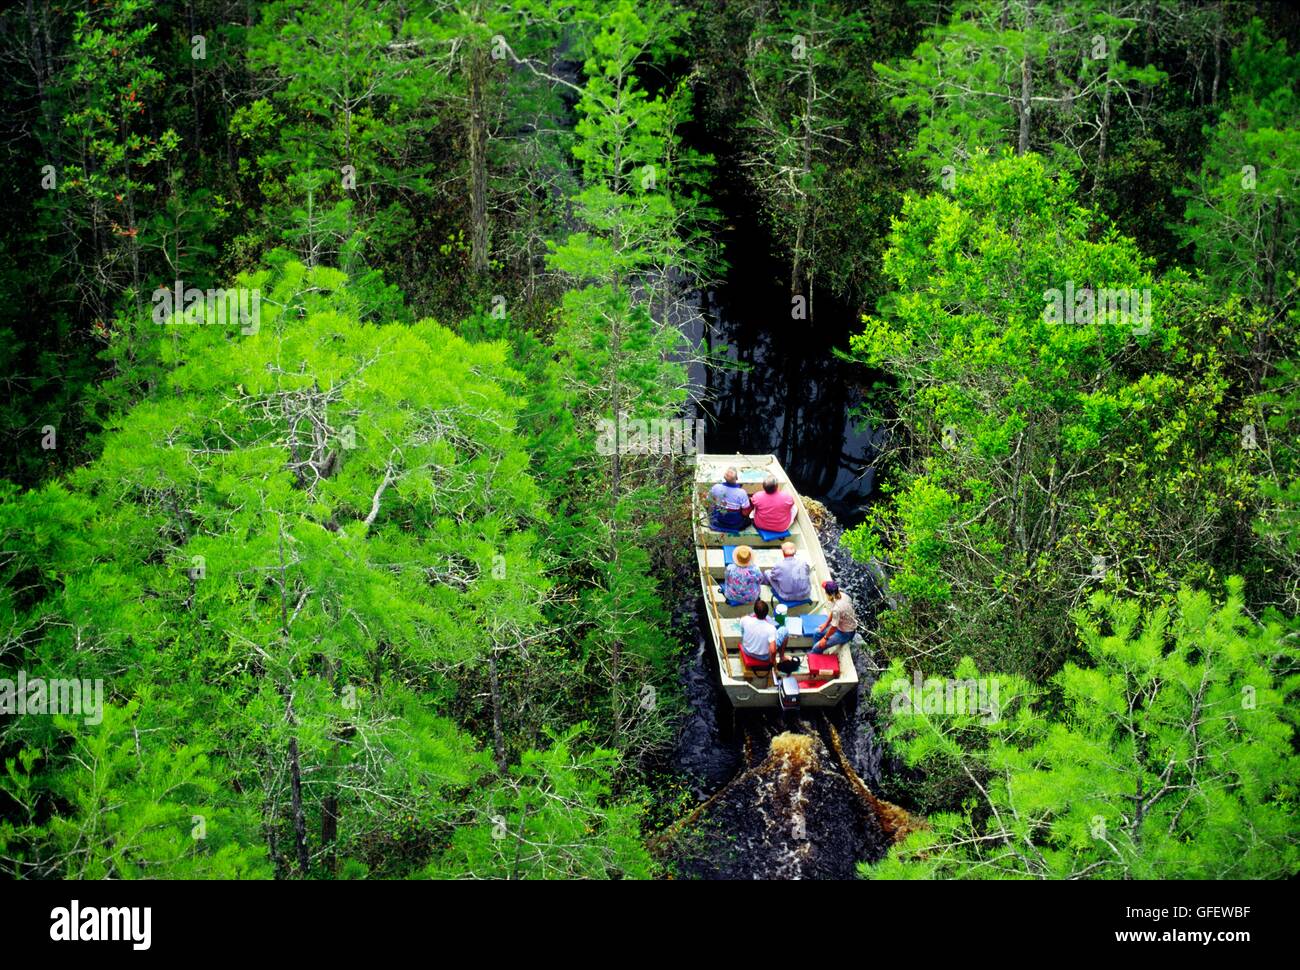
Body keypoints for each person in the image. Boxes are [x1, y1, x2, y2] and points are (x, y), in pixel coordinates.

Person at [738, 599, 789, 669]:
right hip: (764, 657)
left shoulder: (745, 620)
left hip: (747, 650)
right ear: (766, 613)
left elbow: (742, 630)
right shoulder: (771, 628)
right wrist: (772, 661)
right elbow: (773, 650)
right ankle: (782, 657)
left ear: (755, 612)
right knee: (784, 630)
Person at [811, 580, 858, 654]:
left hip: (845, 633)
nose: (825, 594)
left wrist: (825, 638)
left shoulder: (837, 608)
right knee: (817, 632)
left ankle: (816, 652)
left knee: (817, 647)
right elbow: (833, 613)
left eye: (826, 593)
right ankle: (818, 653)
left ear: (830, 595)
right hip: (840, 625)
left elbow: (834, 627)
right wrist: (825, 624)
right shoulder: (843, 595)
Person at [761, 541, 813, 607]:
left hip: (786, 596)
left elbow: (772, 577)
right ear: (795, 552)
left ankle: (765, 584)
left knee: (767, 573)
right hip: (805, 594)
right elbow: (807, 573)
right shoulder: (803, 563)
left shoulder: (779, 565)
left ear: (783, 552)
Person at [708, 467, 751, 533]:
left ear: (724, 477)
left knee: (713, 506)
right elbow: (745, 512)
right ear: (736, 478)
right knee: (749, 520)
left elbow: (709, 500)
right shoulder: (742, 492)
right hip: (735, 524)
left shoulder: (716, 487)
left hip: (719, 521)